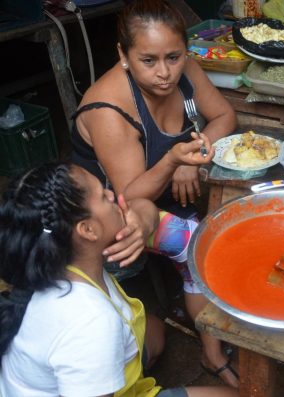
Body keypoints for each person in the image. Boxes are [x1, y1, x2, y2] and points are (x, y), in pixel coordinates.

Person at [70, 0, 239, 386]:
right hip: (115, 220)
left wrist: (188, 160)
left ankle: (211, 353)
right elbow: (131, 196)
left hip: (161, 201)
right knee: (150, 347)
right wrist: (172, 164)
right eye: (148, 60)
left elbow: (225, 115)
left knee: (204, 246)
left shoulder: (182, 68)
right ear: (123, 55)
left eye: (174, 57)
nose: (164, 72)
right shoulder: (108, 108)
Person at [0, 163, 237, 397]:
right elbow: (93, 330)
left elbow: (143, 207)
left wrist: (143, 224)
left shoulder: (58, 259)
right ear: (88, 230)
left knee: (153, 328)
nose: (113, 194)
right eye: (104, 196)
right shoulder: (91, 323)